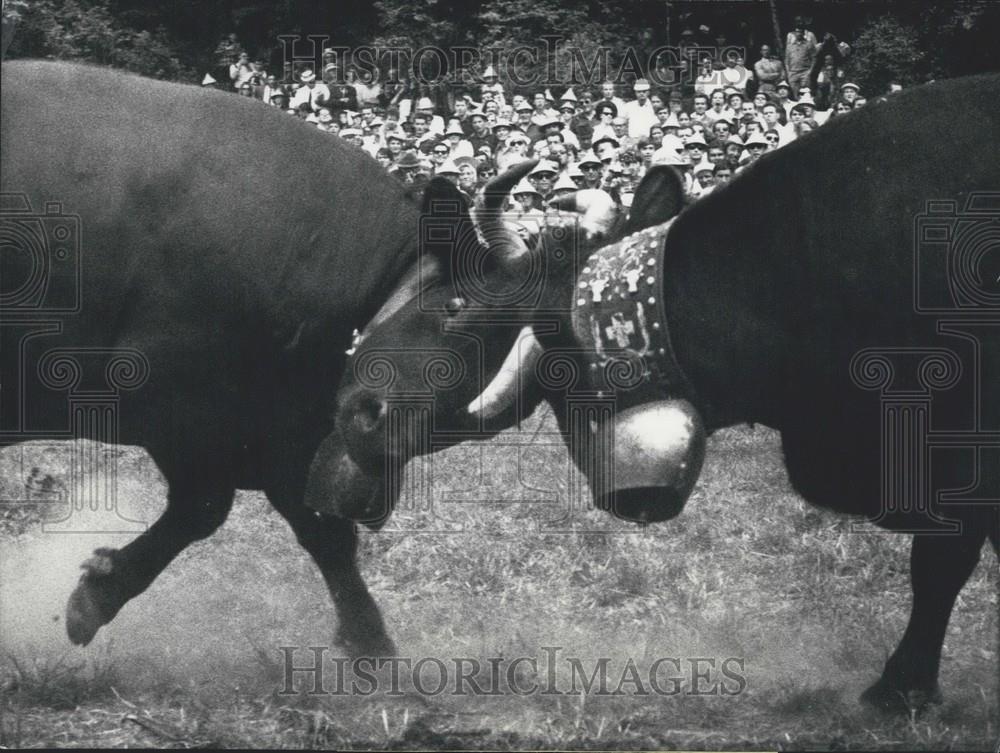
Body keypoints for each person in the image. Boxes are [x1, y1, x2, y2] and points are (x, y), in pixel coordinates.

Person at [785, 17, 818, 97]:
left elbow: (814, 58)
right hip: (793, 72)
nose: (798, 34)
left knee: (805, 92)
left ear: (803, 34)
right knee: (794, 93)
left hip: (804, 72)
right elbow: (786, 60)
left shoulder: (808, 44)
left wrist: (810, 71)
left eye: (800, 32)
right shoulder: (790, 46)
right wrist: (788, 71)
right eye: (797, 32)